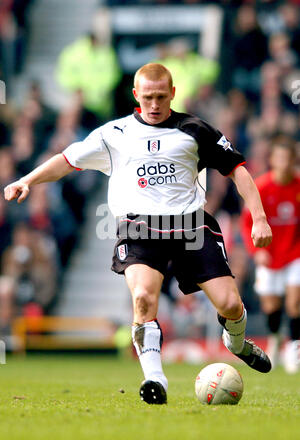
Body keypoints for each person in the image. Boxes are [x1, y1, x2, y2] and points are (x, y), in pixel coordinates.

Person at [4, 63, 273, 405]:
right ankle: (154, 380)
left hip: (190, 225)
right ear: (136, 95)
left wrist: (259, 218)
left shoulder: (196, 129)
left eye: (162, 96)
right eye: (148, 97)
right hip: (139, 228)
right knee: (143, 298)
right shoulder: (113, 133)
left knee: (231, 305)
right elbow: (67, 160)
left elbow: (238, 170)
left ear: (173, 93)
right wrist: (26, 180)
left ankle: (235, 343)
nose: (155, 104)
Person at [241, 136, 300, 374]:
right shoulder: (262, 187)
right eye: (280, 158)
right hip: (269, 255)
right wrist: (256, 251)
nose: (284, 163)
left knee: (295, 303)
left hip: (295, 254)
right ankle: (275, 339)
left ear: (293, 160)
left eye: (288, 158)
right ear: (273, 160)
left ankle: (294, 349)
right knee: (271, 307)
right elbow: (247, 224)